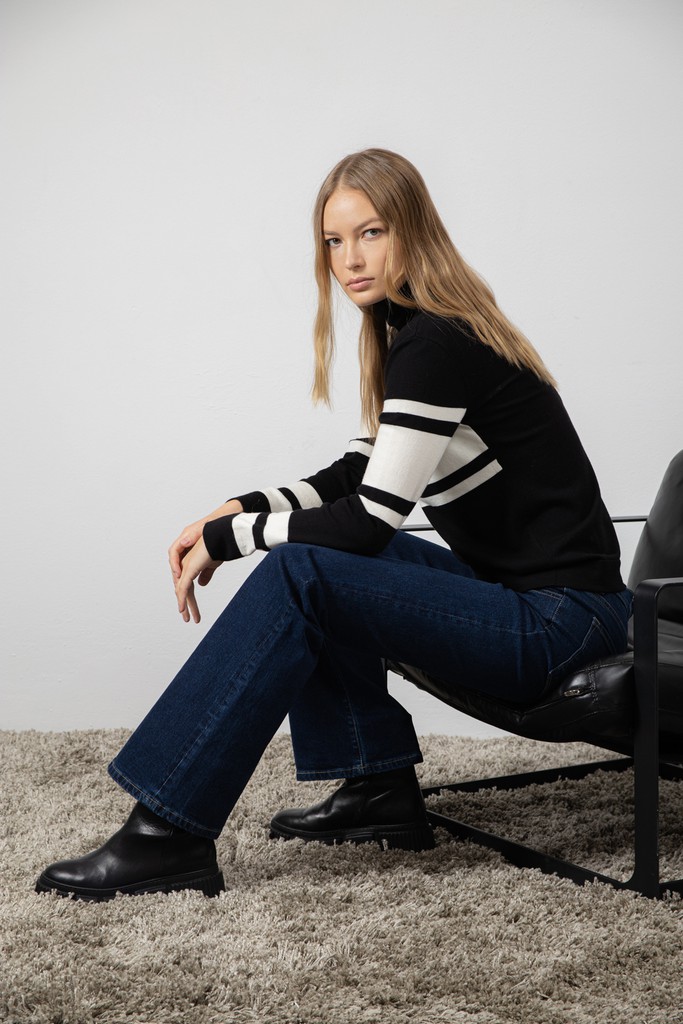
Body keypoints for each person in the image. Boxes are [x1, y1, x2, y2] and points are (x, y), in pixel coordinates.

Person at [36, 148, 631, 901]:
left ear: (412, 231)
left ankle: (164, 834)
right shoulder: (412, 331)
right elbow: (358, 473)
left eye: (371, 233)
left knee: (305, 570)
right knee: (319, 560)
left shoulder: (435, 341)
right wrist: (244, 507)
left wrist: (228, 541)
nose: (350, 259)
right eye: (333, 241)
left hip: (562, 624)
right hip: (541, 607)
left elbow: (368, 520)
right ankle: (376, 787)